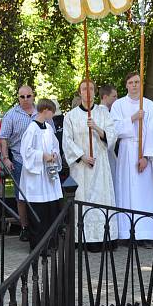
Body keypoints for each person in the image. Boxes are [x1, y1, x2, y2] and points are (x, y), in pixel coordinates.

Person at [62, 79, 117, 248]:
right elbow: (67, 141)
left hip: (100, 165)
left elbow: (112, 135)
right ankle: (83, 239)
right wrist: (82, 156)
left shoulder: (103, 113)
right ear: (80, 92)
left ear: (95, 92)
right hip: (81, 166)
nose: (88, 92)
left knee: (101, 198)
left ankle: (104, 238)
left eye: (91, 89)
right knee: (82, 198)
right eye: (84, 89)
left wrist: (97, 128)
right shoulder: (70, 116)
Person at [111, 72, 153, 242]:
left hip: (143, 151)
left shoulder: (149, 105)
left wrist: (146, 156)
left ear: (141, 84)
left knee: (144, 192)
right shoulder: (118, 105)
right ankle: (126, 232)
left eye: (137, 82)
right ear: (126, 85)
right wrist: (132, 118)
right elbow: (114, 129)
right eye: (131, 82)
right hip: (126, 150)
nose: (134, 85)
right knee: (125, 190)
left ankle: (146, 233)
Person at [19, 98, 63, 250]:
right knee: (39, 212)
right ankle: (38, 246)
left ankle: (51, 243)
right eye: (52, 111)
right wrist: (43, 155)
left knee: (50, 209)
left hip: (48, 175)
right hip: (36, 177)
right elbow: (26, 152)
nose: (53, 114)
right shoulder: (32, 129)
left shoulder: (48, 128)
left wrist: (54, 154)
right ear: (45, 111)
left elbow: (55, 146)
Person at [0, 85, 40, 241]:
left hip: (39, 161)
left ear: (33, 96)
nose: (25, 99)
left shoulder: (41, 113)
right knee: (21, 197)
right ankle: (24, 227)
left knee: (38, 195)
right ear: (18, 97)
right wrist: (5, 158)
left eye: (28, 96)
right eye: (22, 97)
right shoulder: (11, 115)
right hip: (19, 160)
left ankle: (38, 225)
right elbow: (3, 137)